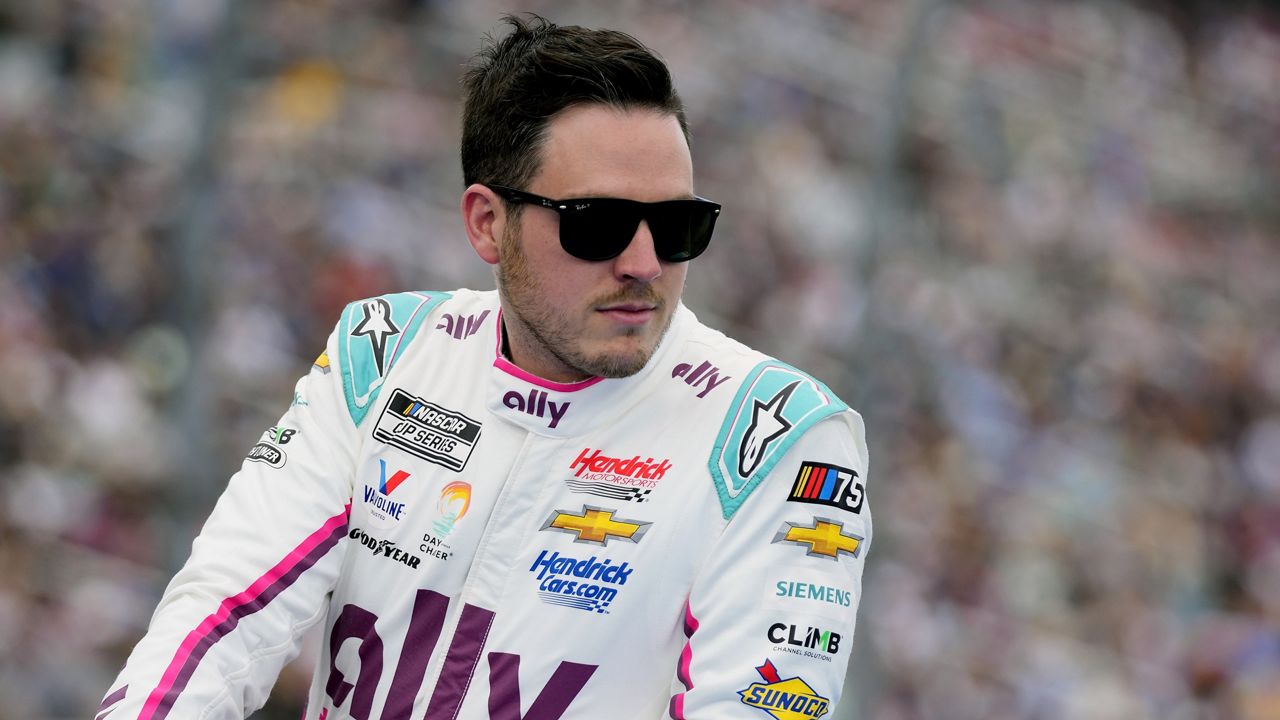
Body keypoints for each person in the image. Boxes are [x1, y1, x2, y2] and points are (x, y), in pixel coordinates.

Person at [97, 14, 872, 720]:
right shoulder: (387, 349)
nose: (644, 262)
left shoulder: (780, 439)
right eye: (596, 224)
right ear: (487, 223)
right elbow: (226, 611)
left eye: (678, 226)